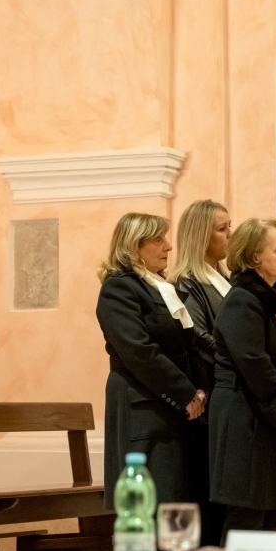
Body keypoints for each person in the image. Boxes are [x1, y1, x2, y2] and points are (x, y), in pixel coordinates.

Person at [208, 218, 276, 543]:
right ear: (255, 257)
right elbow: (255, 365)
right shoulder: (243, 300)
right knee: (249, 513)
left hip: (271, 421)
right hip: (246, 419)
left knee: (271, 512)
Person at [96, 212, 206, 509]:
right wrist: (185, 392)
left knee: (173, 497)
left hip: (169, 403)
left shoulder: (160, 287)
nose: (168, 246)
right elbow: (139, 351)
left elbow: (189, 342)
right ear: (133, 246)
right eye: (158, 240)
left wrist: (200, 388)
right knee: (150, 501)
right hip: (142, 406)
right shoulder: (119, 288)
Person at [168, 199, 232, 546]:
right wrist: (236, 357)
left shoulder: (225, 277)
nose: (230, 235)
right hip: (211, 392)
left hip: (230, 389)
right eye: (222, 229)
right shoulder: (188, 281)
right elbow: (196, 335)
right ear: (200, 235)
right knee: (206, 488)